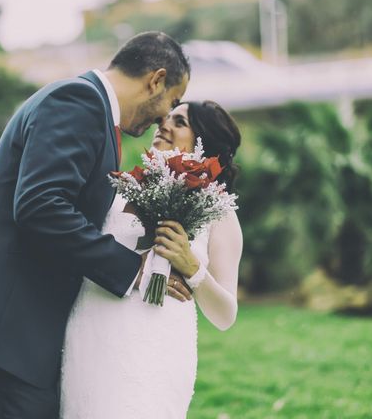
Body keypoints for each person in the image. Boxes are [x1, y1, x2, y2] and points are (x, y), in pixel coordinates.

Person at [0, 31, 191, 418]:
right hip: (12, 331)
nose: (164, 118)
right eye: (171, 102)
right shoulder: (78, 102)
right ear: (155, 80)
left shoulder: (91, 111)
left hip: (24, 333)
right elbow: (41, 206)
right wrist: (134, 270)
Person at [60, 100, 243, 418]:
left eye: (179, 121)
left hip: (155, 349)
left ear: (205, 141)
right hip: (90, 338)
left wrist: (194, 269)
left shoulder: (220, 215)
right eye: (165, 118)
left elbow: (226, 315)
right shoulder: (117, 193)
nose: (164, 124)